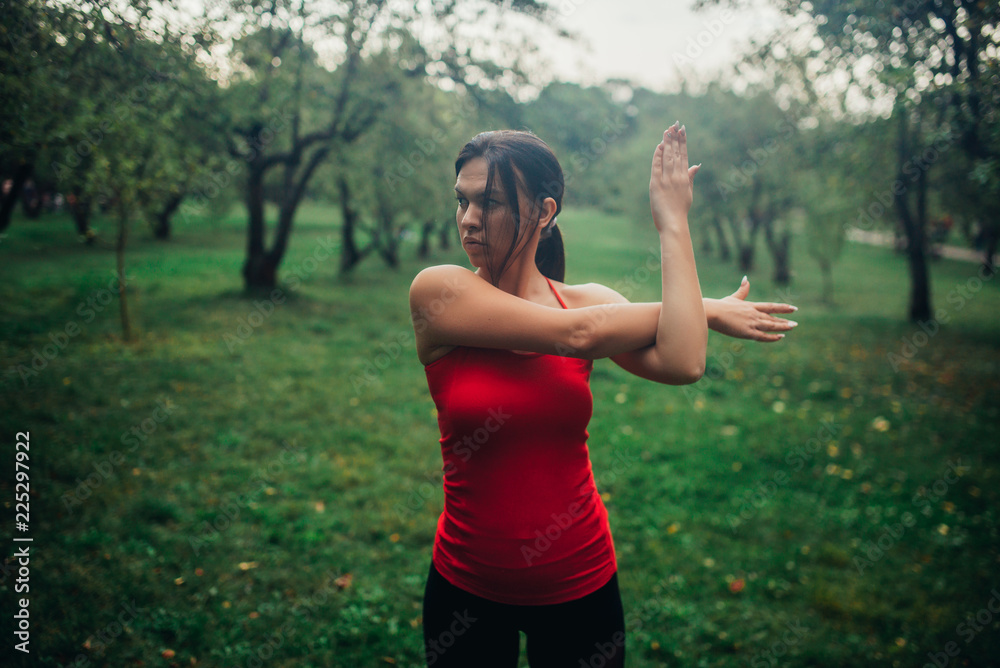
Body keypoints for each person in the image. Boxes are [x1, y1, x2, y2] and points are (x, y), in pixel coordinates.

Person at [409, 125, 797, 667]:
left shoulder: (590, 302)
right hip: (466, 587)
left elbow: (683, 362)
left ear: (544, 213)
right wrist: (705, 307)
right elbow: (578, 335)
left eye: (490, 201)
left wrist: (672, 222)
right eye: (463, 200)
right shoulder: (439, 292)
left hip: (580, 580)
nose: (469, 218)